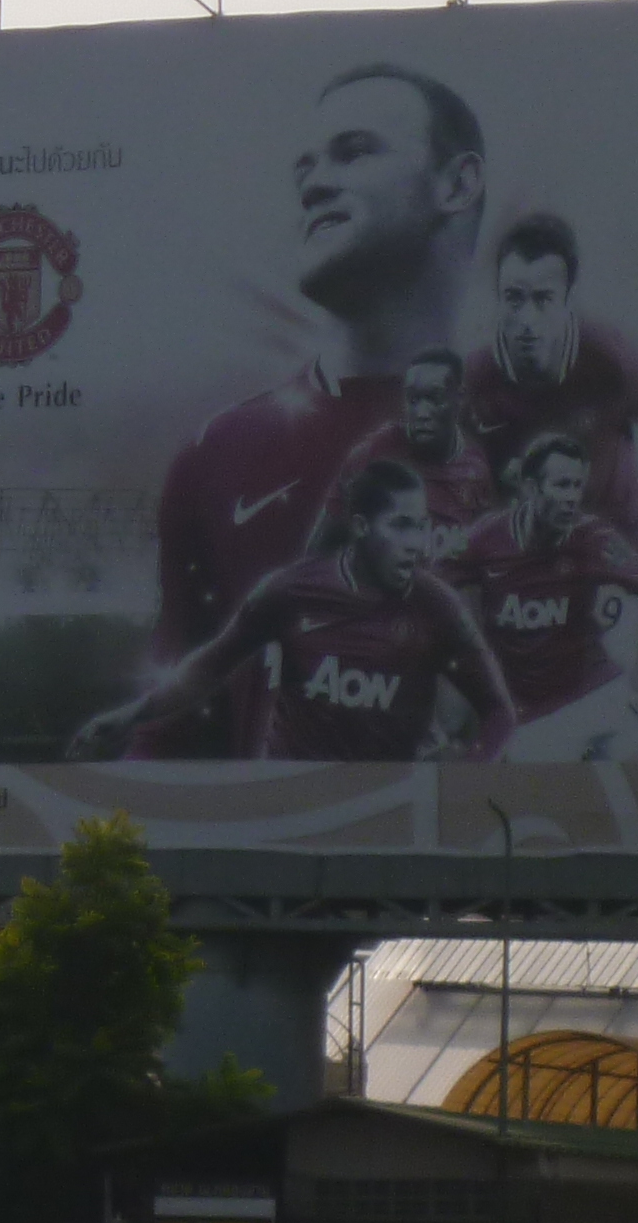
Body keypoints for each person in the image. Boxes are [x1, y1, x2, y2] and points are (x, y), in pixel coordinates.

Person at [147, 61, 490, 745]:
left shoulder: (542, 437)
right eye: (304, 168)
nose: (314, 186)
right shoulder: (219, 453)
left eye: (353, 152)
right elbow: (171, 730)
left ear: (455, 185)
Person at [74, 457, 518, 765]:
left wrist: (468, 776)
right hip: (294, 797)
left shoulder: (438, 607)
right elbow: (211, 666)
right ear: (361, 527)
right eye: (400, 526)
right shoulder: (292, 590)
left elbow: (499, 711)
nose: (415, 544)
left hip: (384, 802)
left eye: (421, 528)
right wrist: (134, 713)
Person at [462, 214, 638, 593]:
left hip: (616, 546)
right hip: (529, 556)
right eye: (513, 298)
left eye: (543, 299)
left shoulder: (614, 358)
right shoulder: (474, 378)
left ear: (569, 301)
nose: (527, 320)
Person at [457, 430, 638, 761]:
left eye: (577, 486)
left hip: (600, 694)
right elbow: (428, 584)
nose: (572, 497)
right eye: (562, 485)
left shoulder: (593, 537)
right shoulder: (485, 539)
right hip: (533, 718)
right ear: (531, 488)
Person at [335, 347, 501, 567]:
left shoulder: (476, 468)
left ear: (459, 399)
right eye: (413, 400)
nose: (422, 413)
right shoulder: (375, 452)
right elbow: (323, 544)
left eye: (435, 399)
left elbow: (486, 553)